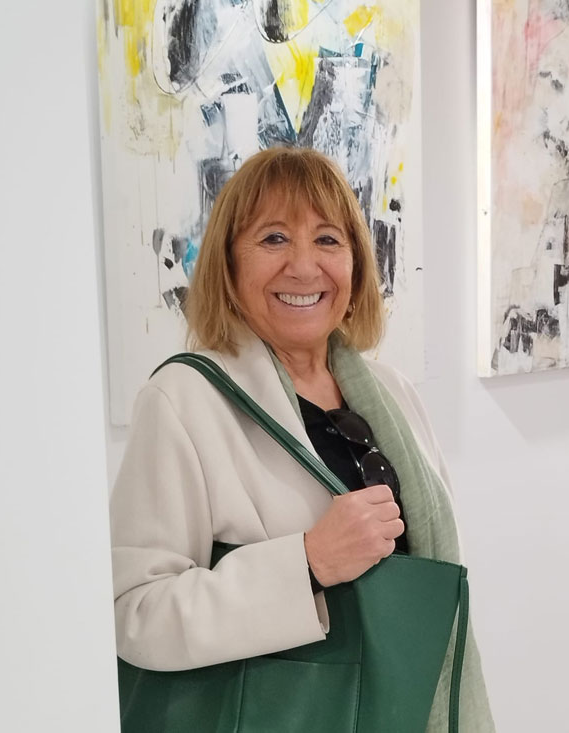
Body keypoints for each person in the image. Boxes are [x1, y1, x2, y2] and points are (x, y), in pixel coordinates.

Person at [110, 147, 494, 731]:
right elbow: (134, 610)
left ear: (355, 264)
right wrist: (307, 563)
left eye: (327, 240)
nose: (304, 267)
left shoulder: (392, 394)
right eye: (273, 239)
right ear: (229, 265)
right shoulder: (182, 401)